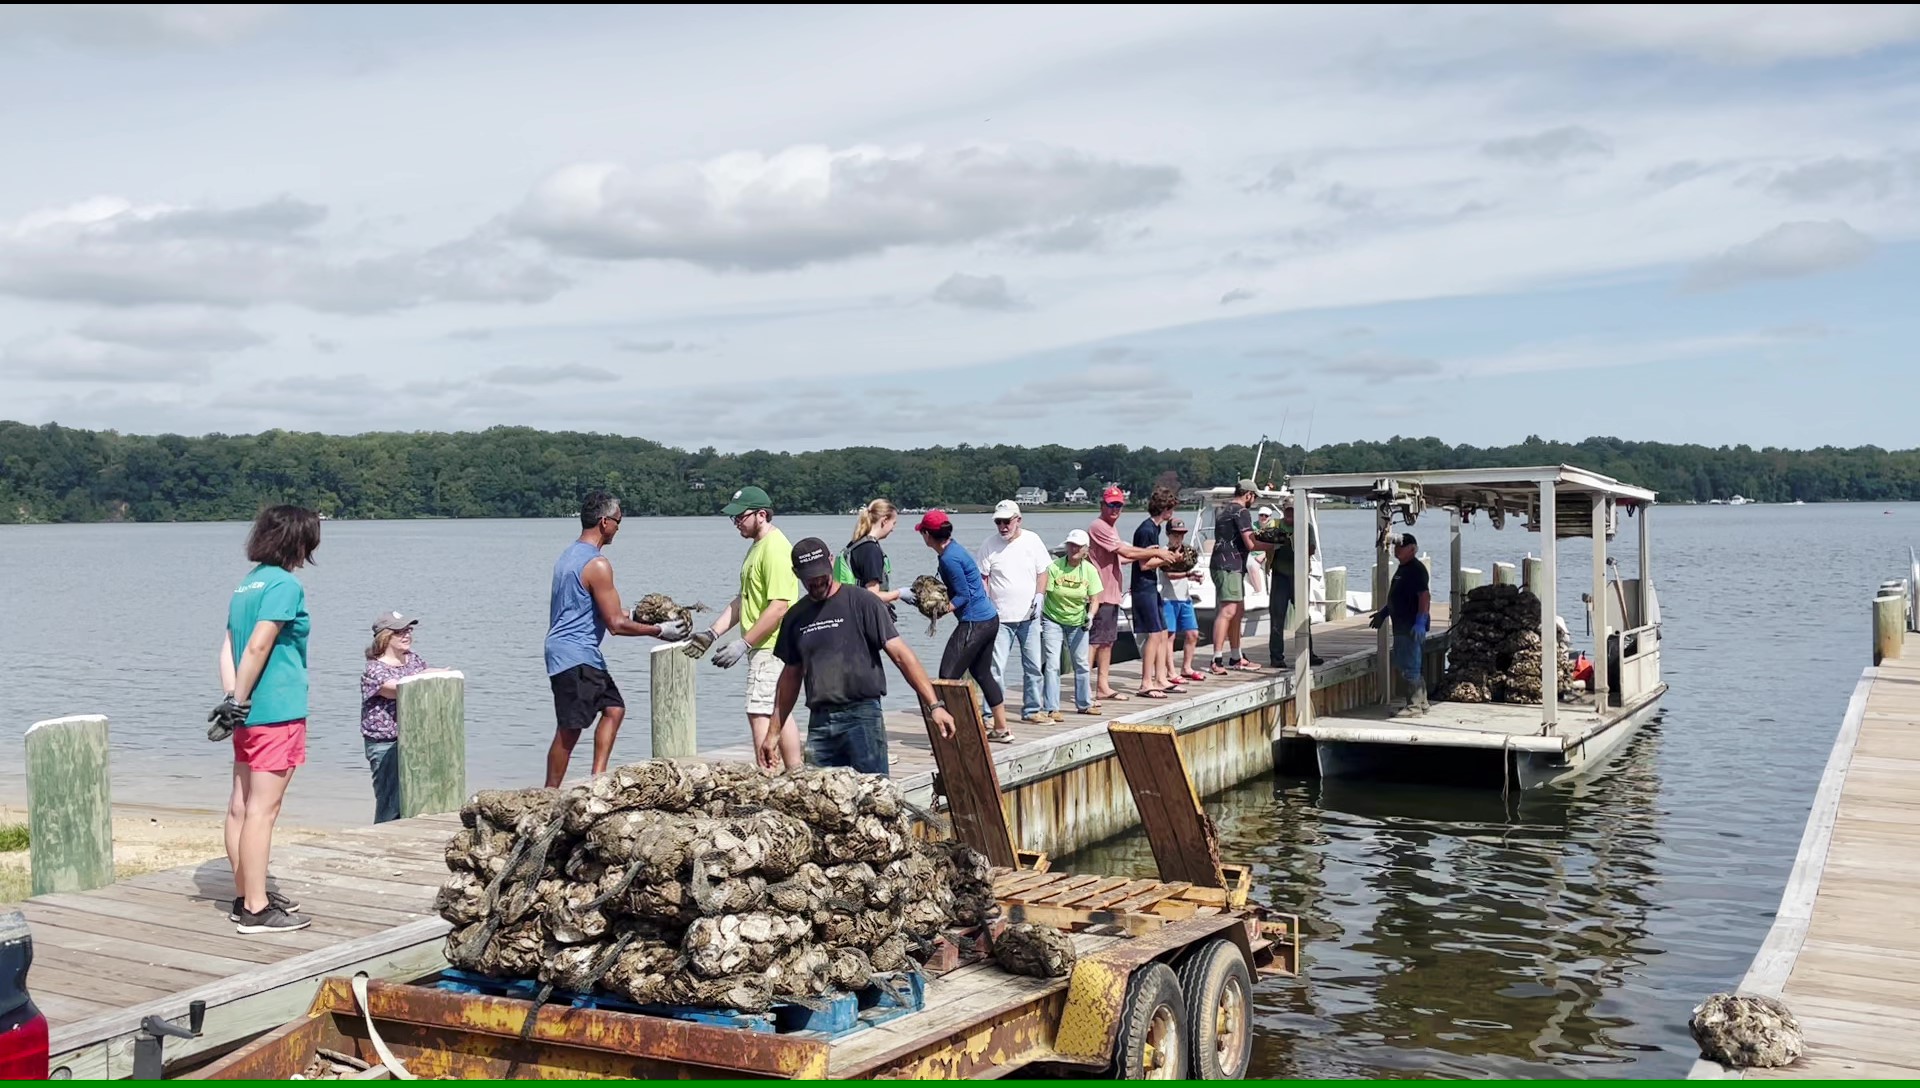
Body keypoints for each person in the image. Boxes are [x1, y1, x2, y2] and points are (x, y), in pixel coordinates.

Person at [209, 505, 320, 933]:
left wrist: (231, 700)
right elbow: (258, 645)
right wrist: (240, 698)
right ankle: (257, 908)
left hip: (246, 713)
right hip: (276, 710)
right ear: (299, 541)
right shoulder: (284, 585)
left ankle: (245, 895)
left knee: (240, 805)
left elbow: (228, 646)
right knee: (263, 809)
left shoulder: (246, 584)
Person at [768, 537, 956, 773]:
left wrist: (935, 705)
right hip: (820, 723)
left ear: (831, 561)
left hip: (863, 717)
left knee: (874, 792)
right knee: (819, 793)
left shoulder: (863, 602)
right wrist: (773, 733)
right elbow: (790, 677)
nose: (816, 582)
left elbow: (902, 656)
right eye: (809, 578)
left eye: (820, 575)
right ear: (796, 573)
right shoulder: (796, 617)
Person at [544, 490, 688, 788]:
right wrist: (661, 631)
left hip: (571, 651)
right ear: (604, 522)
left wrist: (641, 615)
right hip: (575, 654)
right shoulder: (598, 564)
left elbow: (597, 609)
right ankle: (549, 793)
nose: (619, 528)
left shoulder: (568, 556)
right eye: (618, 521)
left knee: (614, 708)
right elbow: (615, 624)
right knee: (570, 729)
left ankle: (597, 779)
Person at [683, 485, 804, 772]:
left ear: (761, 514)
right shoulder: (757, 548)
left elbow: (779, 606)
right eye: (733, 518)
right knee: (778, 709)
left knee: (759, 711)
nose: (736, 522)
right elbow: (744, 600)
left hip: (772, 645)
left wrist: (744, 643)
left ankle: (768, 776)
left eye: (741, 516)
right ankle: (795, 773)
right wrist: (712, 633)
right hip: (765, 645)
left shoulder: (775, 548)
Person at [909, 509, 1013, 742]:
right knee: (981, 673)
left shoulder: (949, 558)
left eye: (922, 532)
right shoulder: (952, 550)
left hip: (975, 622)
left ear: (927, 534)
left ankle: (954, 735)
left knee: (947, 676)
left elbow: (963, 596)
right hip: (989, 619)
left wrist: (940, 610)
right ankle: (1002, 729)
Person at [359, 612, 458, 824]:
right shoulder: (374, 669)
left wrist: (442, 673)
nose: (407, 635)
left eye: (408, 630)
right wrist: (425, 677)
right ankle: (383, 835)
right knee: (390, 801)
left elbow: (425, 672)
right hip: (386, 744)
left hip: (415, 741)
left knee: (418, 797)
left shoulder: (412, 659)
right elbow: (397, 689)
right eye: (400, 632)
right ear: (385, 637)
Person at [1086, 487, 1178, 703]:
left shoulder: (1111, 528)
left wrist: (1158, 555)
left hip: (1112, 592)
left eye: (1119, 505)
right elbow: (1128, 552)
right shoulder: (1098, 526)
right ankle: (1085, 689)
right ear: (1102, 505)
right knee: (1095, 642)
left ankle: (1102, 687)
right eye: (1111, 504)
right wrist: (1157, 553)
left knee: (1108, 642)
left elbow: (1123, 557)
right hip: (1100, 594)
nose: (1115, 509)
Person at [978, 500, 1051, 724]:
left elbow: (1043, 571)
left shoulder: (1033, 540)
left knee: (1033, 667)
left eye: (1006, 521)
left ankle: (1032, 710)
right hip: (999, 618)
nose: (1003, 526)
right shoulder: (989, 545)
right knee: (995, 669)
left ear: (1018, 520)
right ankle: (991, 714)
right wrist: (987, 603)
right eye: (998, 522)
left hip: (1029, 617)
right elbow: (983, 578)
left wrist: (1040, 595)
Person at [1209, 479, 1277, 674]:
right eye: (1254, 497)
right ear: (1248, 494)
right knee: (1228, 611)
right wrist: (1274, 545)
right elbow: (1251, 543)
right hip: (1229, 566)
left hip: (1226, 565)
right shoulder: (1242, 512)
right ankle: (1216, 660)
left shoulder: (1224, 510)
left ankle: (1236, 657)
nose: (1254, 501)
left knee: (1238, 611)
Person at [1040, 529, 1104, 718]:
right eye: (1071, 545)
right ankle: (1052, 708)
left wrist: (1090, 615)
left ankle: (1084, 704)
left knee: (1081, 663)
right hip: (1053, 619)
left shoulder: (1090, 570)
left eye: (1078, 546)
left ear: (1086, 549)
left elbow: (1095, 599)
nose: (1074, 549)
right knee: (1052, 663)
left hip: (1078, 621)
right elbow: (1045, 593)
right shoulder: (1054, 567)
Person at [1371, 532, 1432, 716]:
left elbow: (1424, 596)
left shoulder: (1416, 569)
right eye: (1396, 546)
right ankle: (1422, 703)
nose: (1397, 549)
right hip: (1401, 624)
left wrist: (1420, 621)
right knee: (1410, 663)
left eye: (1401, 546)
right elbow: (1398, 597)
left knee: (1410, 665)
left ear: (1412, 549)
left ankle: (1413, 706)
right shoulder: (1402, 568)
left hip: (1410, 625)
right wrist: (1383, 613)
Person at [1129, 486, 1182, 699]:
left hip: (1152, 586)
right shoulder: (1147, 530)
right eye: (1171, 509)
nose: (1173, 513)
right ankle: (1146, 683)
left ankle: (1161, 678)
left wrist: (1166, 556)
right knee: (1153, 633)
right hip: (1143, 587)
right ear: (1165, 509)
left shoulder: (1156, 529)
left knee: (1161, 631)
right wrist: (1167, 558)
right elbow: (1144, 564)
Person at [1269, 502, 1325, 670]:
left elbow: (1312, 549)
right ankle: (1276, 657)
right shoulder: (1275, 526)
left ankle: (1308, 653)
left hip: (1299, 575)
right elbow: (1266, 545)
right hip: (1279, 576)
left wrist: (1294, 543)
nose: (1290, 514)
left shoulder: (1306, 527)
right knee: (1277, 617)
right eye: (1287, 510)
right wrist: (1276, 542)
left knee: (1303, 616)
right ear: (1283, 511)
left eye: (1293, 511)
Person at [1159, 519, 1208, 683]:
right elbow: (1169, 574)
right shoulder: (1164, 552)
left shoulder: (1187, 551)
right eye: (1175, 534)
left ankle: (1187, 668)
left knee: (1193, 634)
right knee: (1170, 636)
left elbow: (1188, 569)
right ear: (1168, 534)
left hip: (1185, 598)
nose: (1178, 538)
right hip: (1168, 599)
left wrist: (1194, 576)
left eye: (1181, 534)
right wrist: (1188, 574)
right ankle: (1170, 671)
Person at [837, 499, 902, 614]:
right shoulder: (871, 550)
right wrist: (900, 593)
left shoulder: (855, 545)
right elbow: (872, 596)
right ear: (884, 521)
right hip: (865, 617)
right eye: (893, 523)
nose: (893, 529)